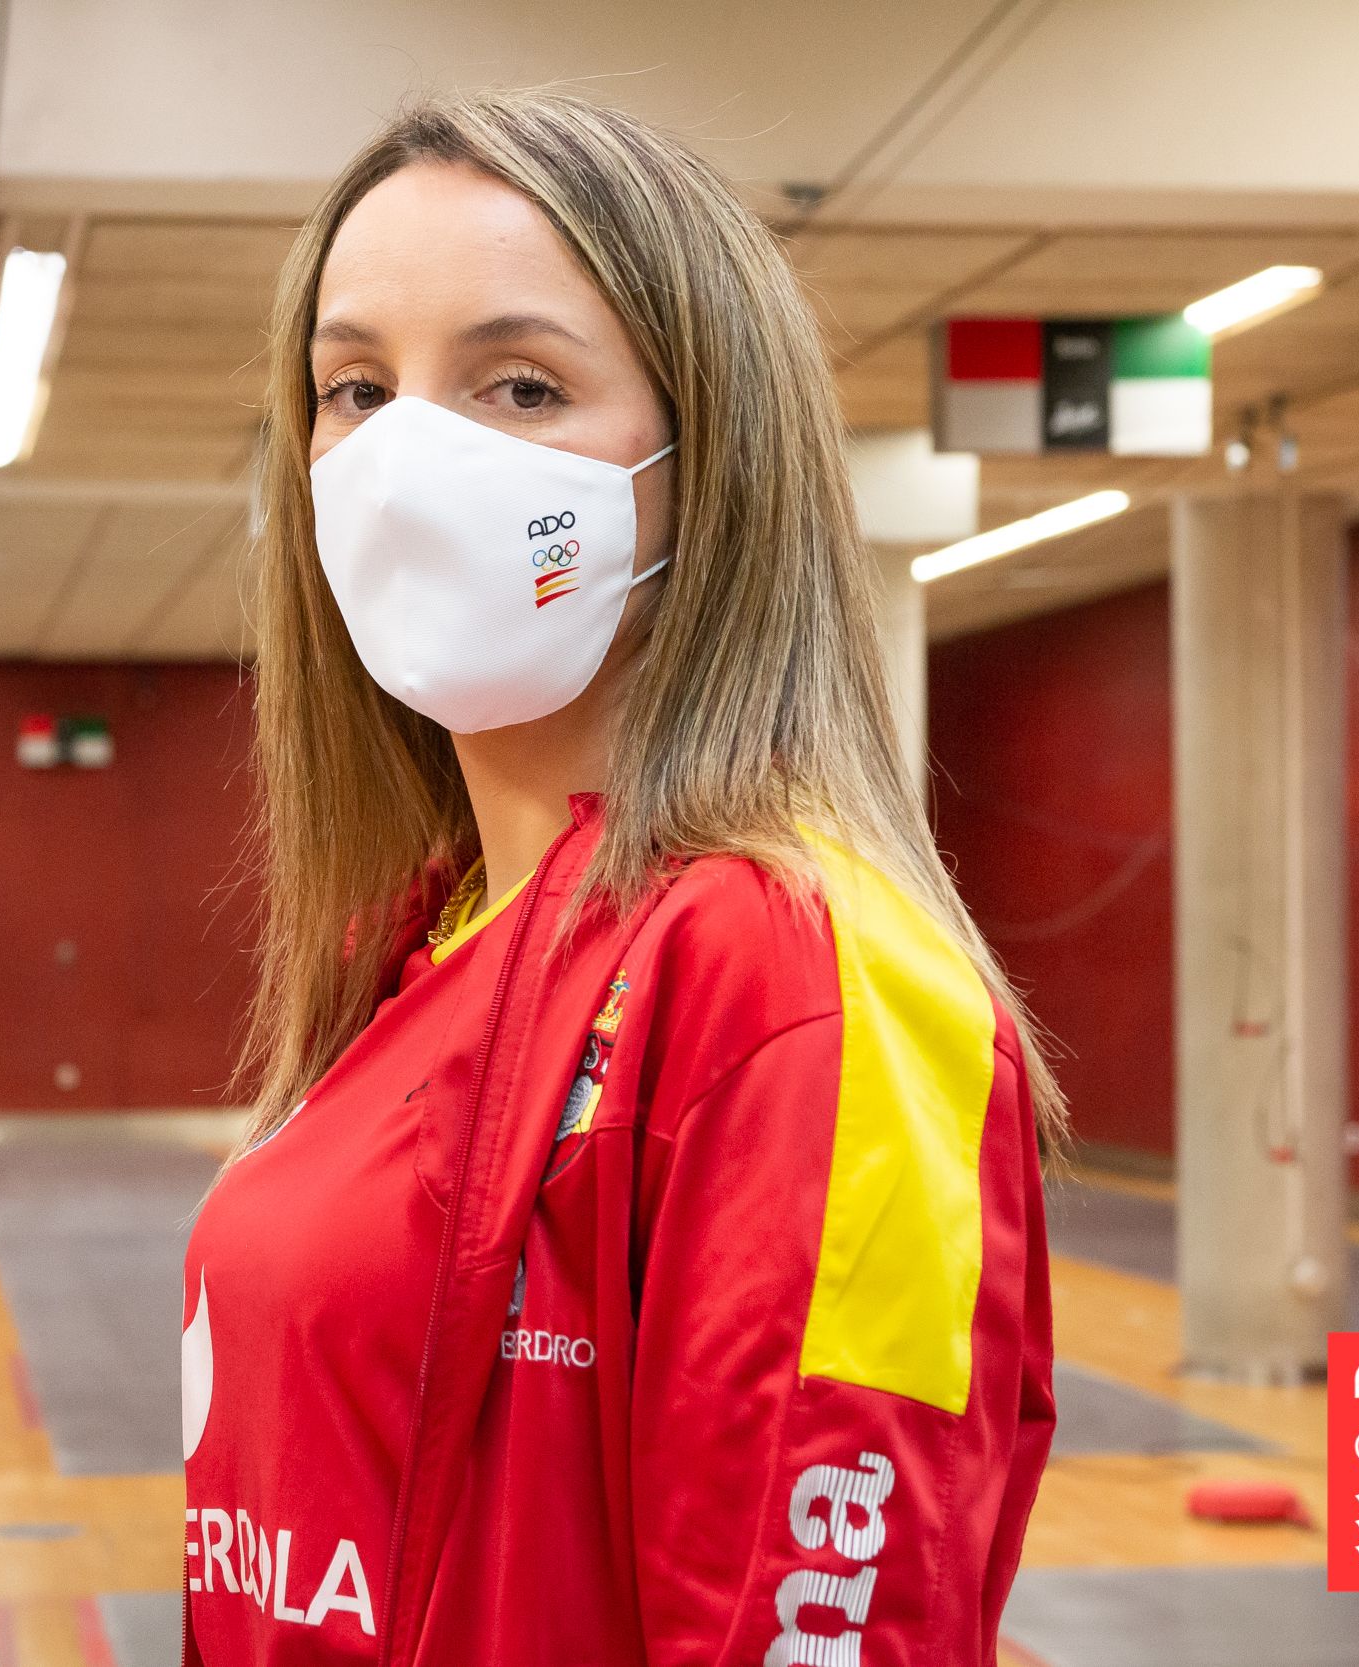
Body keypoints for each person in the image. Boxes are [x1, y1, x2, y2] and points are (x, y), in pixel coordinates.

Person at [180, 88, 1058, 1667]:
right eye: (356, 389)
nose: (410, 460)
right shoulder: (419, 943)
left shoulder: (797, 973)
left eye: (521, 386)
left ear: (705, 459)